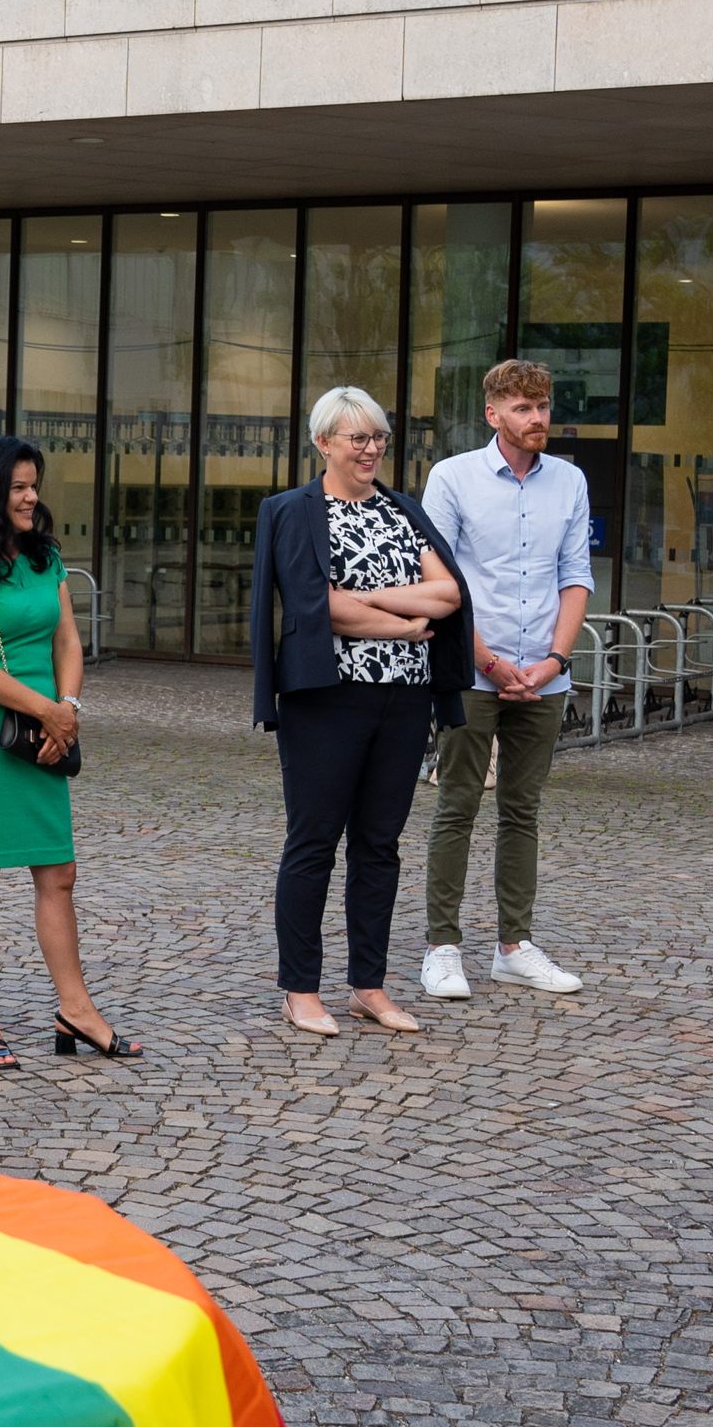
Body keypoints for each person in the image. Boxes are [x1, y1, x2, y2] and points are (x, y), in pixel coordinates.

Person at [249, 387, 473, 1038]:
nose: (371, 448)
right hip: (326, 700)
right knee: (312, 843)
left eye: (378, 436)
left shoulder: (401, 511)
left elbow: (447, 593)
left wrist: (370, 597)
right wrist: (402, 627)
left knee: (379, 846)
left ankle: (368, 987)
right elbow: (317, 607)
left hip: (402, 700)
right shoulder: (294, 510)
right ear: (324, 443)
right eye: (357, 438)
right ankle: (300, 988)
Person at [0, 435, 139, 1070]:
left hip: (49, 732)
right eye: (17, 486)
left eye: (33, 484)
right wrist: (46, 711)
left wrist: (67, 708)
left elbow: (68, 639)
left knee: (59, 872)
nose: (31, 496)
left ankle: (75, 1009)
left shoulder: (46, 557)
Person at [419, 359, 593, 999]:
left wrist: (554, 662)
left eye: (543, 405)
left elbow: (576, 576)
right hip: (471, 672)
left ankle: (513, 946)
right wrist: (489, 661)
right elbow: (439, 580)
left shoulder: (569, 483)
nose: (538, 417)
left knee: (523, 811)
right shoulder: (453, 478)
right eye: (523, 407)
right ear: (493, 414)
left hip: (543, 676)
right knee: (458, 804)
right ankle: (442, 948)